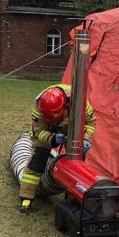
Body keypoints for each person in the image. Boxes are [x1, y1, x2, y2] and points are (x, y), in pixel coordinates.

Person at [19, 83, 96, 213]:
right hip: (48, 131)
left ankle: (76, 198)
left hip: (72, 128)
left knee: (77, 164)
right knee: (36, 162)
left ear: (64, 105)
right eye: (51, 116)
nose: (54, 118)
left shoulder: (78, 101)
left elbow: (91, 122)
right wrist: (53, 139)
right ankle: (26, 197)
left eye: (56, 114)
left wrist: (86, 139)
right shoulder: (39, 106)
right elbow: (38, 132)